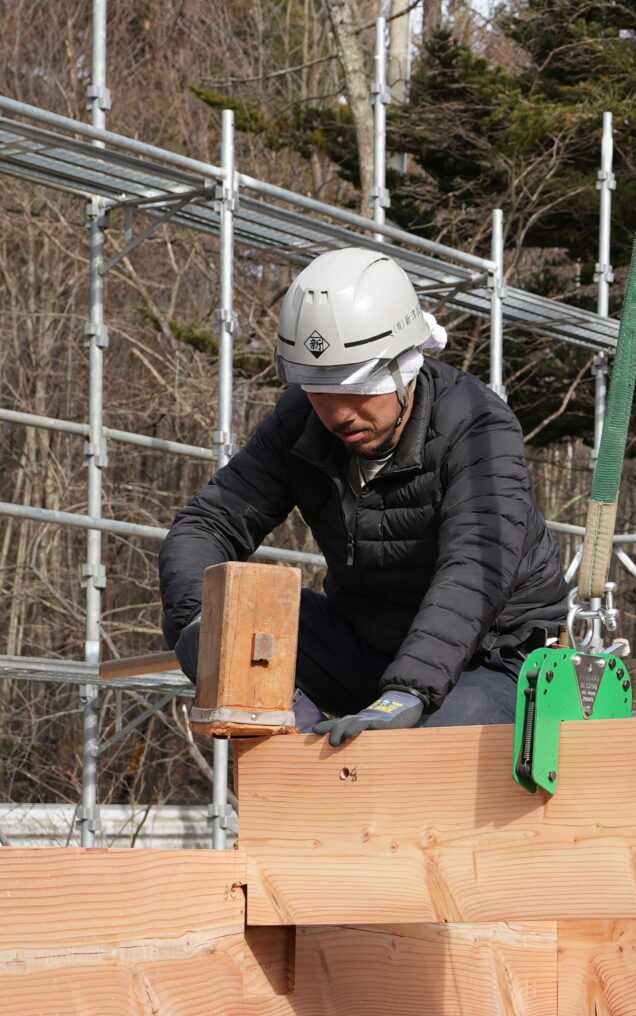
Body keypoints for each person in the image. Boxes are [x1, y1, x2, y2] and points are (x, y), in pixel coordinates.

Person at [160, 246, 569, 745]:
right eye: (319, 389)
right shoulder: (300, 421)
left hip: (494, 657)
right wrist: (207, 628)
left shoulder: (477, 425)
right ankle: (297, 752)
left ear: (405, 366)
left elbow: (474, 569)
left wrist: (407, 692)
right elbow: (209, 523)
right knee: (214, 619)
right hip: (371, 646)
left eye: (357, 388)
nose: (339, 414)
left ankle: (379, 743)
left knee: (417, 752)